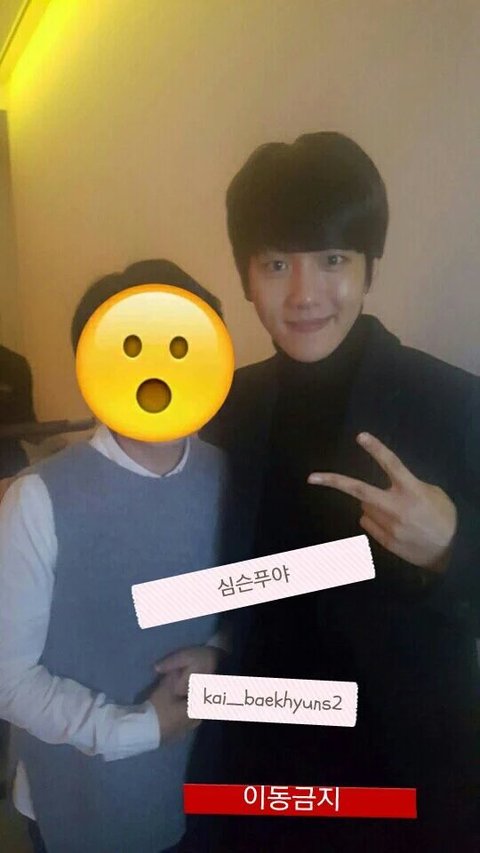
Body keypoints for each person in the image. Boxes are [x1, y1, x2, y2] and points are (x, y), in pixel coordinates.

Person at [197, 133, 480, 851]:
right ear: (246, 276)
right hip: (257, 770)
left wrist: (452, 548)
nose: (304, 294)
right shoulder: (220, 410)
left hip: (402, 782)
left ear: (369, 267)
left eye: (332, 260)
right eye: (276, 264)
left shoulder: (452, 403)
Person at [0, 260, 230, 853]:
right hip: (77, 794)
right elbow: (8, 678)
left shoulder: (231, 475)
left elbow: (244, 599)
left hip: (199, 785)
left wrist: (220, 652)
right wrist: (137, 729)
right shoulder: (38, 498)